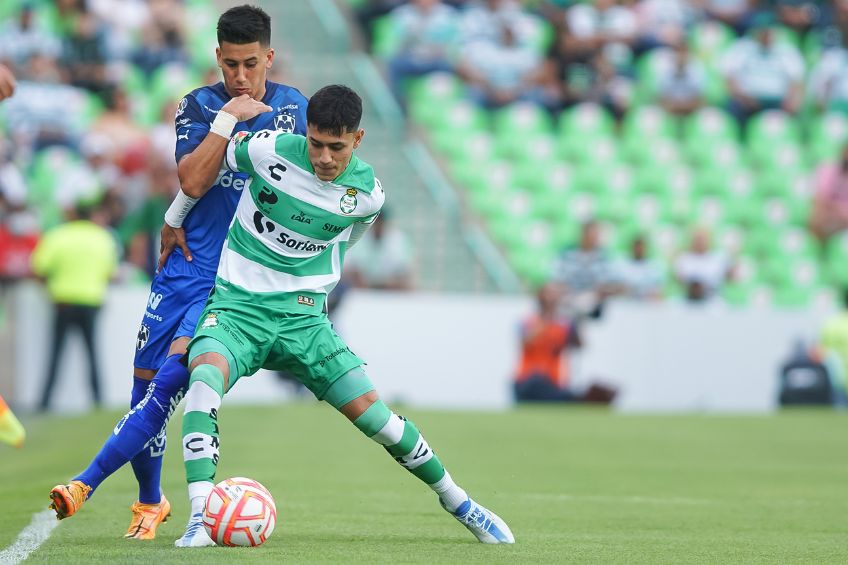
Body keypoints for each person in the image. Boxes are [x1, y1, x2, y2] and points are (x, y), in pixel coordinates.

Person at [172, 84, 514, 547]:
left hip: (305, 322)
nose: (325, 158)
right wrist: (174, 219)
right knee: (202, 381)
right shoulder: (266, 149)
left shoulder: (368, 194)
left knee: (379, 420)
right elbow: (201, 172)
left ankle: (460, 502)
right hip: (238, 308)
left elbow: (344, 241)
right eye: (316, 143)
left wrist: (312, 285)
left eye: (337, 146)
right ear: (305, 133)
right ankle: (199, 518)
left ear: (358, 139)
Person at [48, 5, 308, 541]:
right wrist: (228, 119)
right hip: (184, 268)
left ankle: (85, 483)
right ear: (217, 57)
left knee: (167, 385)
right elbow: (191, 181)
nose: (240, 76)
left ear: (269, 59)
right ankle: (149, 502)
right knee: (142, 388)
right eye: (230, 64)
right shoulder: (199, 105)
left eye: (251, 64)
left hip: (233, 281)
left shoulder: (293, 111)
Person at [31, 199, 119, 411]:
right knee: (92, 353)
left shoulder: (57, 235)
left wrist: (49, 289)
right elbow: (110, 273)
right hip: (91, 300)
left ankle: (45, 402)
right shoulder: (103, 237)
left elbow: (38, 268)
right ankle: (98, 399)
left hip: (63, 300)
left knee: (56, 353)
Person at [513, 283, 583, 402]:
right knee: (537, 382)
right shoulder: (528, 321)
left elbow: (579, 345)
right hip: (527, 380)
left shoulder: (565, 324)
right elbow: (524, 344)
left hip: (554, 382)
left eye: (556, 295)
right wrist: (547, 319)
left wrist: (577, 320)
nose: (553, 298)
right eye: (550, 294)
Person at [345, 210, 414, 290]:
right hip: (362, 291)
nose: (378, 226)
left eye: (380, 222)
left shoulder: (399, 239)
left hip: (391, 292)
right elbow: (347, 269)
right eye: (375, 223)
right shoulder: (357, 237)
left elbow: (406, 272)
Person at [673, 227, 735, 302]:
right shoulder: (684, 258)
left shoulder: (718, 259)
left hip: (713, 300)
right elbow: (679, 280)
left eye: (703, 239)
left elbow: (730, 278)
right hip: (689, 299)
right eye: (697, 239)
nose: (700, 242)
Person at [808, 142, 848, 246]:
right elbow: (821, 197)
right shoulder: (828, 169)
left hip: (842, 217)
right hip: (827, 213)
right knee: (819, 214)